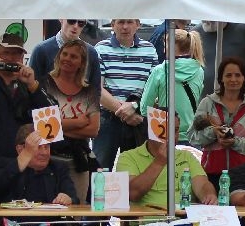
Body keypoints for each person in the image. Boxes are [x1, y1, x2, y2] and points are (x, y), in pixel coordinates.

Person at [0, 33, 56, 203]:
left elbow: (52, 116)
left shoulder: (29, 84)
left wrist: (32, 85)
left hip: (22, 167)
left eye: (17, 54)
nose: (12, 58)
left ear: (23, 57)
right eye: (6, 53)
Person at [40, 38, 100, 205]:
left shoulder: (89, 91)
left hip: (77, 161)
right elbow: (41, 126)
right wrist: (77, 122)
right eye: (64, 54)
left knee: (75, 213)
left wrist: (57, 126)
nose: (67, 59)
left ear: (81, 63)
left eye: (74, 56)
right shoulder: (44, 84)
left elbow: (93, 130)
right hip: (48, 158)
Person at [93, 19, 158, 169]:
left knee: (137, 170)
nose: (125, 27)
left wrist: (134, 106)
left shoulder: (149, 49)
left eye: (130, 22)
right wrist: (125, 112)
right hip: (108, 119)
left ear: (138, 25)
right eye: (121, 22)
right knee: (101, 170)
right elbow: (97, 89)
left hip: (138, 118)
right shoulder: (101, 48)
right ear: (112, 24)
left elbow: (154, 89)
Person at [117, 111, 218, 208]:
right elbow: (132, 193)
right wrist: (159, 163)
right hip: (147, 222)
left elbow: (202, 184)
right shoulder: (128, 157)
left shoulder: (186, 156)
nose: (173, 136)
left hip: (184, 220)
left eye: (176, 130)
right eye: (166, 130)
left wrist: (209, 195)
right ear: (151, 132)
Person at [190, 56, 245, 189]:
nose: (233, 79)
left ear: (244, 78)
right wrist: (213, 133)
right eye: (228, 75)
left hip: (243, 176)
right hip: (210, 175)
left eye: (237, 75)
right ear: (221, 79)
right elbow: (192, 136)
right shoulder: (207, 103)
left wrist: (235, 142)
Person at [138, 28, 205, 145]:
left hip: (163, 134)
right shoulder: (199, 70)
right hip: (192, 135)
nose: (164, 50)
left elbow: (144, 109)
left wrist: (157, 103)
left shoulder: (160, 71)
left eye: (165, 46)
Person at [193, 21, 245, 93]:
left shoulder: (243, 31)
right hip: (203, 100)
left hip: (240, 99)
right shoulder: (195, 34)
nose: (205, 20)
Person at [29, 19, 101, 91]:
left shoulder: (91, 53)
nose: (75, 26)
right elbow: (31, 87)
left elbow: (95, 91)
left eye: (81, 23)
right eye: (71, 20)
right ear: (61, 19)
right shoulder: (41, 50)